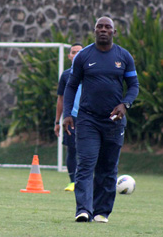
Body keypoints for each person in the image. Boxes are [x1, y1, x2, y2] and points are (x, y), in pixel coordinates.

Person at [63, 16, 139, 223]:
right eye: (100, 27)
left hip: (114, 121)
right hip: (87, 119)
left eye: (108, 27)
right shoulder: (83, 56)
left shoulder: (123, 56)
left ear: (114, 32)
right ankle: (83, 210)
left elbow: (134, 86)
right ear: (94, 30)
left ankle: (101, 212)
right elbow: (71, 86)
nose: (103, 30)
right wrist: (67, 114)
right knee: (86, 164)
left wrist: (125, 104)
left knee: (108, 167)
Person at [54, 43, 83, 192]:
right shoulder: (66, 75)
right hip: (71, 118)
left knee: (89, 150)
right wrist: (57, 121)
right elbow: (61, 99)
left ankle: (87, 181)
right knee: (72, 149)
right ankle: (72, 182)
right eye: (74, 52)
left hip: (88, 117)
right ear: (69, 56)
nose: (77, 54)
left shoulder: (90, 72)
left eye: (80, 51)